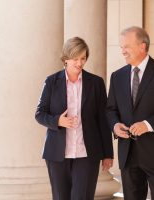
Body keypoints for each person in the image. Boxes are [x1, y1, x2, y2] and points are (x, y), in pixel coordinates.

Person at [106, 26, 154, 200]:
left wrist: (147, 125)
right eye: (121, 47)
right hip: (128, 152)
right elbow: (111, 109)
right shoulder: (117, 76)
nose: (123, 51)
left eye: (126, 46)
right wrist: (115, 125)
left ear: (142, 46)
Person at [35, 37, 113, 200]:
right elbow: (40, 114)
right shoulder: (51, 82)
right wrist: (58, 121)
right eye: (75, 58)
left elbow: (103, 120)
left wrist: (108, 154)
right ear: (65, 59)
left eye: (83, 58)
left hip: (87, 153)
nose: (79, 63)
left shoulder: (96, 83)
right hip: (57, 154)